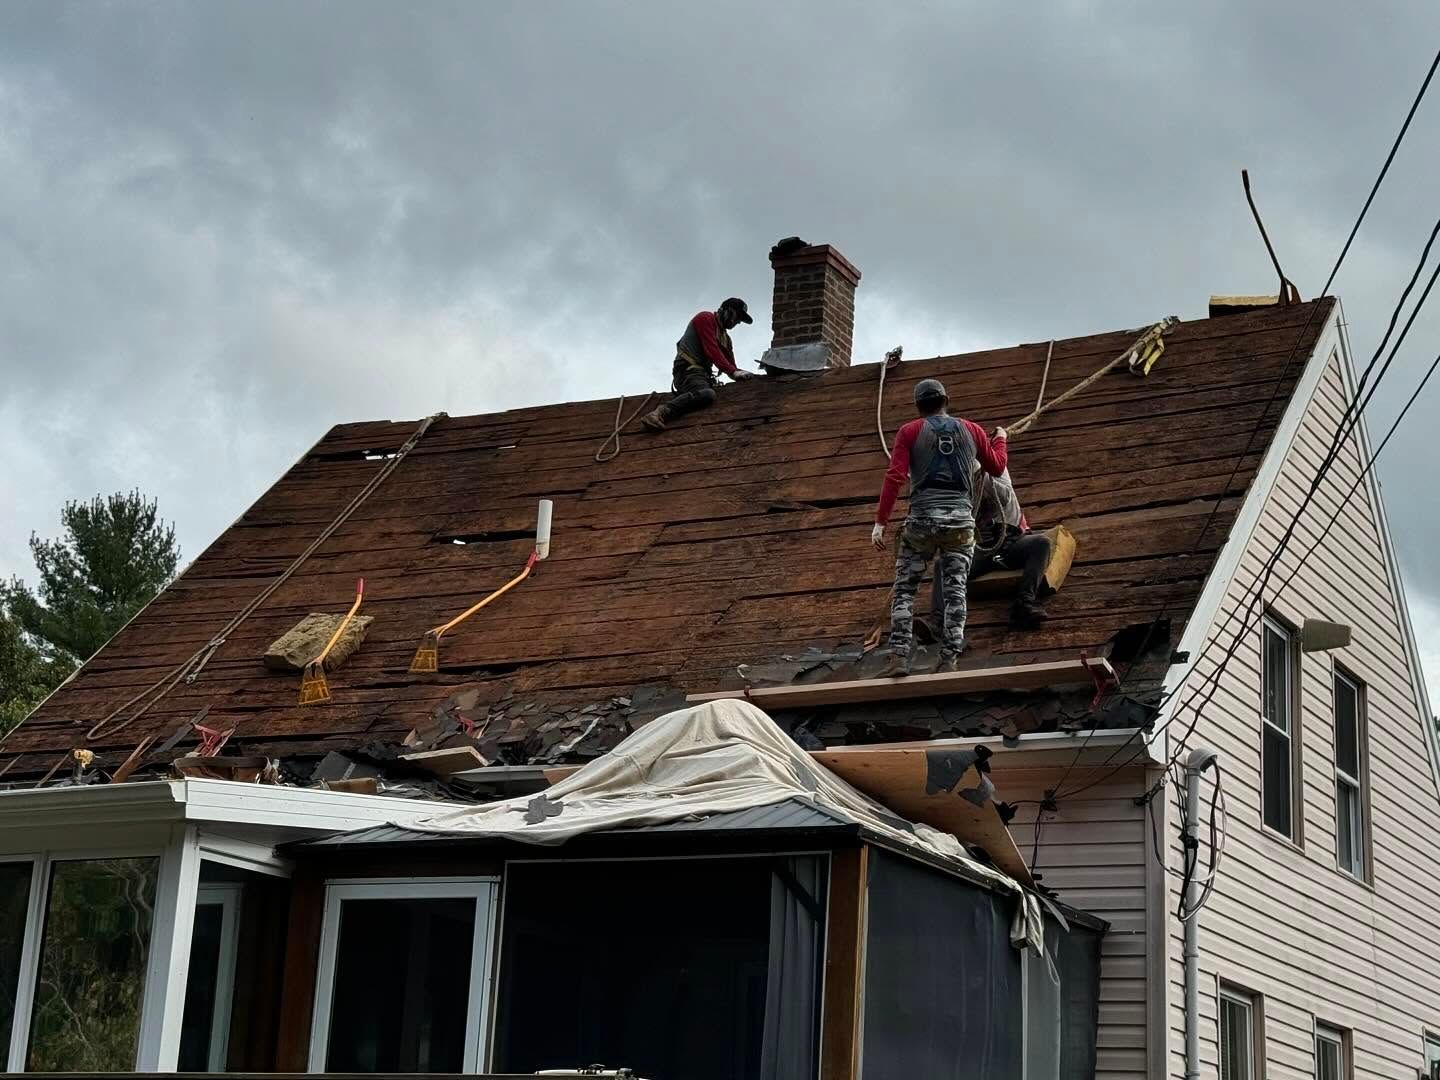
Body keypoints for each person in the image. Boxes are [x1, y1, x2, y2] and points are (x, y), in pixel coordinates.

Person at [871, 378, 1007, 676]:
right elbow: (997, 467)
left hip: (922, 521)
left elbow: (895, 476)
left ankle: (899, 658)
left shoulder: (909, 431)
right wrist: (1000, 439)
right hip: (960, 523)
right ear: (947, 400)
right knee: (955, 590)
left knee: (905, 589)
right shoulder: (972, 430)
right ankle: (948, 659)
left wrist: (881, 522)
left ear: (918, 405)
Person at [930, 467, 1052, 634]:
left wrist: (981, 475)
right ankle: (938, 622)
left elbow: (1004, 496)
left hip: (1011, 541)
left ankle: (1025, 603)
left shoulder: (996, 471)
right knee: (942, 564)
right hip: (983, 549)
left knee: (1041, 543)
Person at [641, 298, 754, 431]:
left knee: (713, 394)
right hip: (687, 372)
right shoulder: (705, 318)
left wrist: (746, 376)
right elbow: (712, 351)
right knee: (706, 394)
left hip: (702, 376)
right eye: (738, 316)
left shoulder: (726, 339)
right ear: (727, 311)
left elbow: (731, 367)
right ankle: (661, 412)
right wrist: (734, 372)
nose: (738, 322)